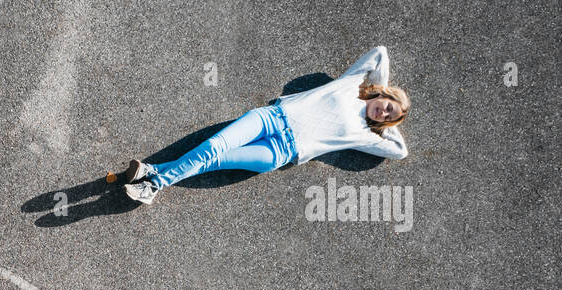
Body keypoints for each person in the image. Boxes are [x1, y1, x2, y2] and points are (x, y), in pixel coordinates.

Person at [123, 45, 409, 204]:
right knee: (212, 146)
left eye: (388, 116)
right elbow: (380, 53)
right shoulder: (352, 83)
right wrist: (380, 89)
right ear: (383, 94)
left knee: (214, 161)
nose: (383, 112)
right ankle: (154, 185)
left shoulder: (364, 135)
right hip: (271, 118)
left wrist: (385, 127)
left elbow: (399, 150)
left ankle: (152, 172)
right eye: (387, 106)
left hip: (281, 152)